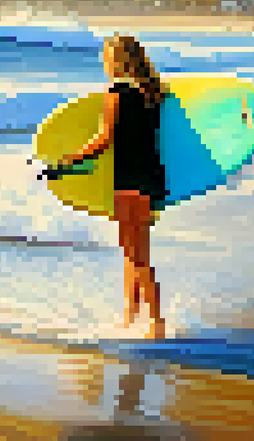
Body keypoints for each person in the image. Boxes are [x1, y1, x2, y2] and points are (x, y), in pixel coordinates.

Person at [56, 34, 168, 340]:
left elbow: (103, 141)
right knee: (135, 252)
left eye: (107, 56)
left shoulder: (116, 93)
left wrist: (68, 160)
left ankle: (156, 324)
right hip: (151, 176)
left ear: (116, 60)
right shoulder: (152, 94)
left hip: (128, 178)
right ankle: (132, 318)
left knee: (135, 255)